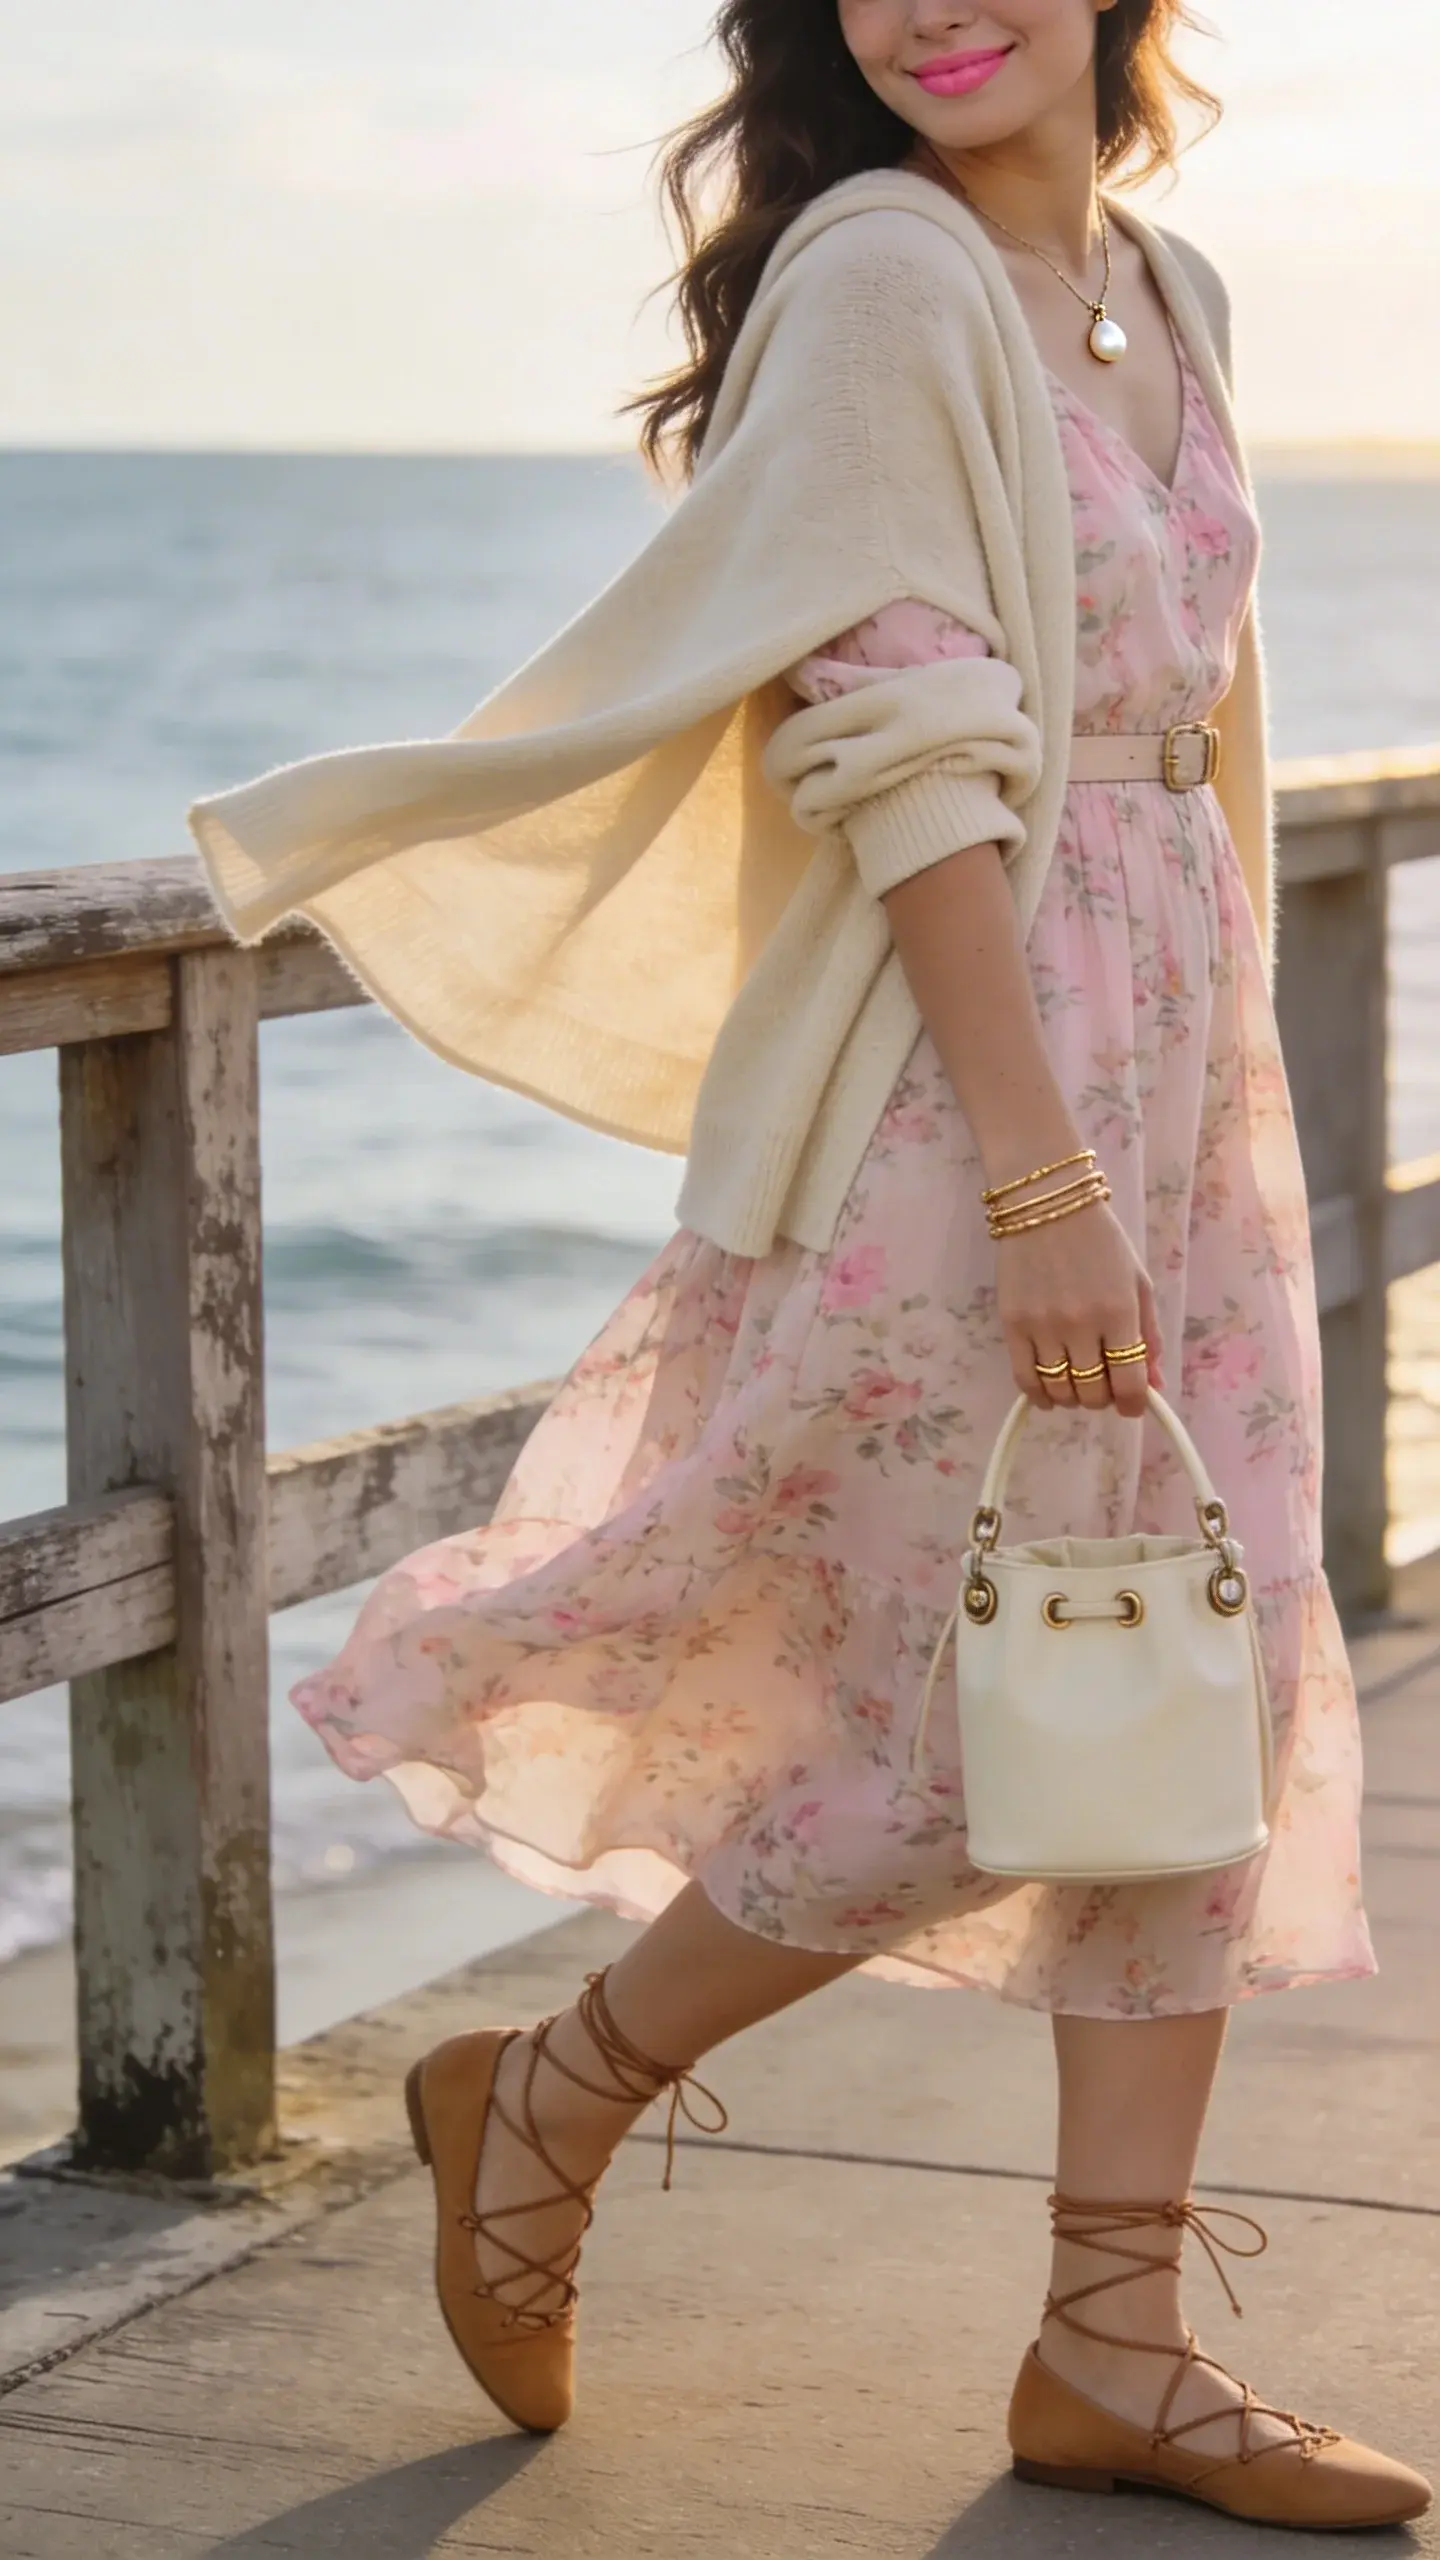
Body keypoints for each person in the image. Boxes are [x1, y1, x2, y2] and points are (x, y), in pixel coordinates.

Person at [188, 0, 1432, 2530]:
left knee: (1194, 1674)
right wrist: (1039, 1165)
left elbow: (1194, 734)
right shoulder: (880, 274)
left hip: (1182, 1074)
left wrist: (1189, 1128)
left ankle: (1117, 2339)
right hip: (983, 1089)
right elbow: (889, 743)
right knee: (960, 1728)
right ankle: (555, 2087)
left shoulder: (1173, 289)